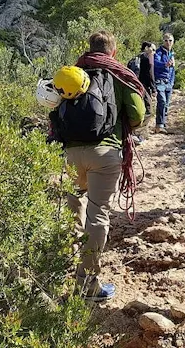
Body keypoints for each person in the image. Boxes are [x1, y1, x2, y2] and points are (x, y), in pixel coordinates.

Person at [63, 30, 146, 302]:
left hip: (69, 154)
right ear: (113, 51)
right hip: (105, 153)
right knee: (97, 214)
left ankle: (61, 268)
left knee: (71, 209)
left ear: (89, 48)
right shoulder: (117, 74)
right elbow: (137, 114)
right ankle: (87, 284)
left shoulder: (73, 73)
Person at [153, 33, 175, 133]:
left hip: (169, 81)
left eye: (170, 40)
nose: (168, 42)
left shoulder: (172, 53)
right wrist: (165, 64)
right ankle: (159, 125)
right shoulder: (158, 52)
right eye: (166, 40)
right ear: (163, 41)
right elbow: (155, 63)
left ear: (173, 42)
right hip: (160, 80)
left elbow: (172, 69)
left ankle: (163, 124)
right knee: (162, 101)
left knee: (166, 104)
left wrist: (172, 81)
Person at [138, 41, 156, 120]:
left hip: (135, 84)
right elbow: (150, 74)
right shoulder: (149, 57)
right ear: (150, 49)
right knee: (148, 109)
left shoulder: (139, 56)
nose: (155, 52)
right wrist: (154, 88)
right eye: (154, 50)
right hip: (144, 86)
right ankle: (142, 130)